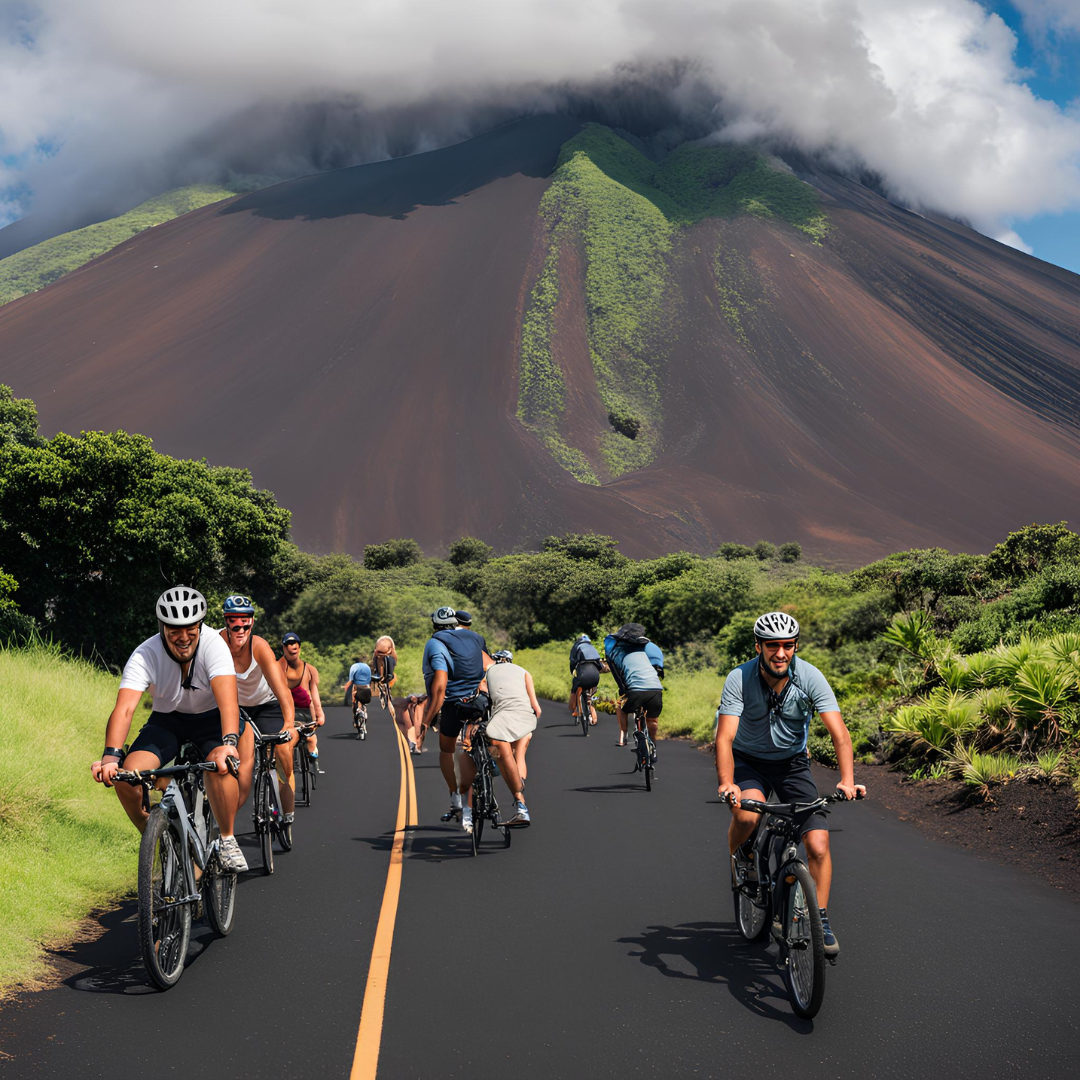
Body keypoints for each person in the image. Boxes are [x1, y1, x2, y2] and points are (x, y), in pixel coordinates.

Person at [715, 611, 866, 959]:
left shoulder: (810, 676)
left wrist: (847, 780)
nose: (780, 653)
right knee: (748, 817)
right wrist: (727, 784)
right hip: (748, 762)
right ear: (759, 647)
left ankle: (819, 920)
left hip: (793, 763)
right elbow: (725, 738)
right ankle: (742, 855)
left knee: (818, 842)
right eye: (772, 646)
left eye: (787, 646)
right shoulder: (739, 677)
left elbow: (840, 734)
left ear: (794, 646)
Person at [90, 586, 253, 872]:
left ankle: (227, 839)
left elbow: (228, 702)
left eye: (190, 629)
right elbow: (125, 708)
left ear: (200, 626)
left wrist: (229, 742)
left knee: (220, 763)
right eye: (174, 629)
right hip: (167, 721)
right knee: (126, 776)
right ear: (162, 627)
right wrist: (110, 757)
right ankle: (157, 837)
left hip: (212, 718)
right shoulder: (145, 653)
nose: (183, 637)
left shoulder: (214, 645)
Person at [219, 595, 298, 823]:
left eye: (246, 622)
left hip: (266, 705)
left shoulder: (259, 646)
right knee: (240, 759)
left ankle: (287, 809)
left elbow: (283, 691)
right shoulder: (216, 643)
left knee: (283, 750)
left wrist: (289, 725)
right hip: (236, 708)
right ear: (226, 622)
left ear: (252, 622)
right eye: (234, 621)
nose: (241, 628)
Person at [419, 606, 492, 833]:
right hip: (481, 701)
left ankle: (456, 798)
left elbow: (440, 684)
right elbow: (489, 665)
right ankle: (492, 765)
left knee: (447, 749)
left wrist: (426, 720)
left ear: (435, 626)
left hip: (454, 704)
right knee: (487, 742)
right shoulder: (476, 637)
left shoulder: (435, 643)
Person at [481, 650, 541, 824]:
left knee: (499, 751)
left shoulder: (489, 672)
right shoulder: (523, 672)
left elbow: (485, 697)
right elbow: (537, 708)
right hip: (525, 718)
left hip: (503, 719)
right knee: (519, 755)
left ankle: (519, 799)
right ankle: (521, 798)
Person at [604, 623, 663, 752]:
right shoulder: (645, 653)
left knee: (620, 706)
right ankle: (652, 747)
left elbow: (619, 678)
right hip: (656, 690)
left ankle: (624, 735)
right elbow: (658, 667)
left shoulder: (620, 654)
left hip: (636, 691)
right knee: (652, 719)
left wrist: (623, 691)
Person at [279, 632, 325, 769]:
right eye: (288, 644)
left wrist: (320, 713)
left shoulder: (310, 670)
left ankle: (311, 752)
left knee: (310, 737)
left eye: (295, 644)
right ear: (283, 648)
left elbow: (314, 693)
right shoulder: (277, 668)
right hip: (285, 710)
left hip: (305, 709)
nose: (292, 647)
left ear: (299, 647)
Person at [568, 633, 602, 726]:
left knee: (575, 685)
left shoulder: (577, 646)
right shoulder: (593, 648)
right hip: (595, 677)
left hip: (583, 675)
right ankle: (590, 710)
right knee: (590, 693)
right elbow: (600, 666)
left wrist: (572, 671)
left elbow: (573, 661)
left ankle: (575, 709)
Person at [345, 654, 373, 724]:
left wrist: (346, 687)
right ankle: (364, 712)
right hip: (367, 687)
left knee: (354, 701)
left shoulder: (354, 667)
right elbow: (369, 679)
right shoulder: (367, 667)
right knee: (364, 702)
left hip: (357, 687)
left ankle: (355, 718)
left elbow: (351, 680)